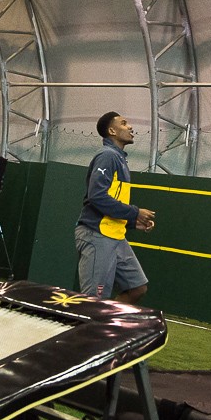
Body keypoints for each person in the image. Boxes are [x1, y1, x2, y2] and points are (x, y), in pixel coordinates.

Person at [74, 112, 155, 303]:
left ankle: (106, 318)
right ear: (112, 131)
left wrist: (131, 222)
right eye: (124, 123)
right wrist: (135, 212)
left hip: (115, 236)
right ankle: (92, 320)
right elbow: (97, 196)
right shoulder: (107, 156)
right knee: (94, 300)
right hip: (96, 235)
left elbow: (113, 201)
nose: (130, 127)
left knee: (137, 288)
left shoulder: (119, 159)